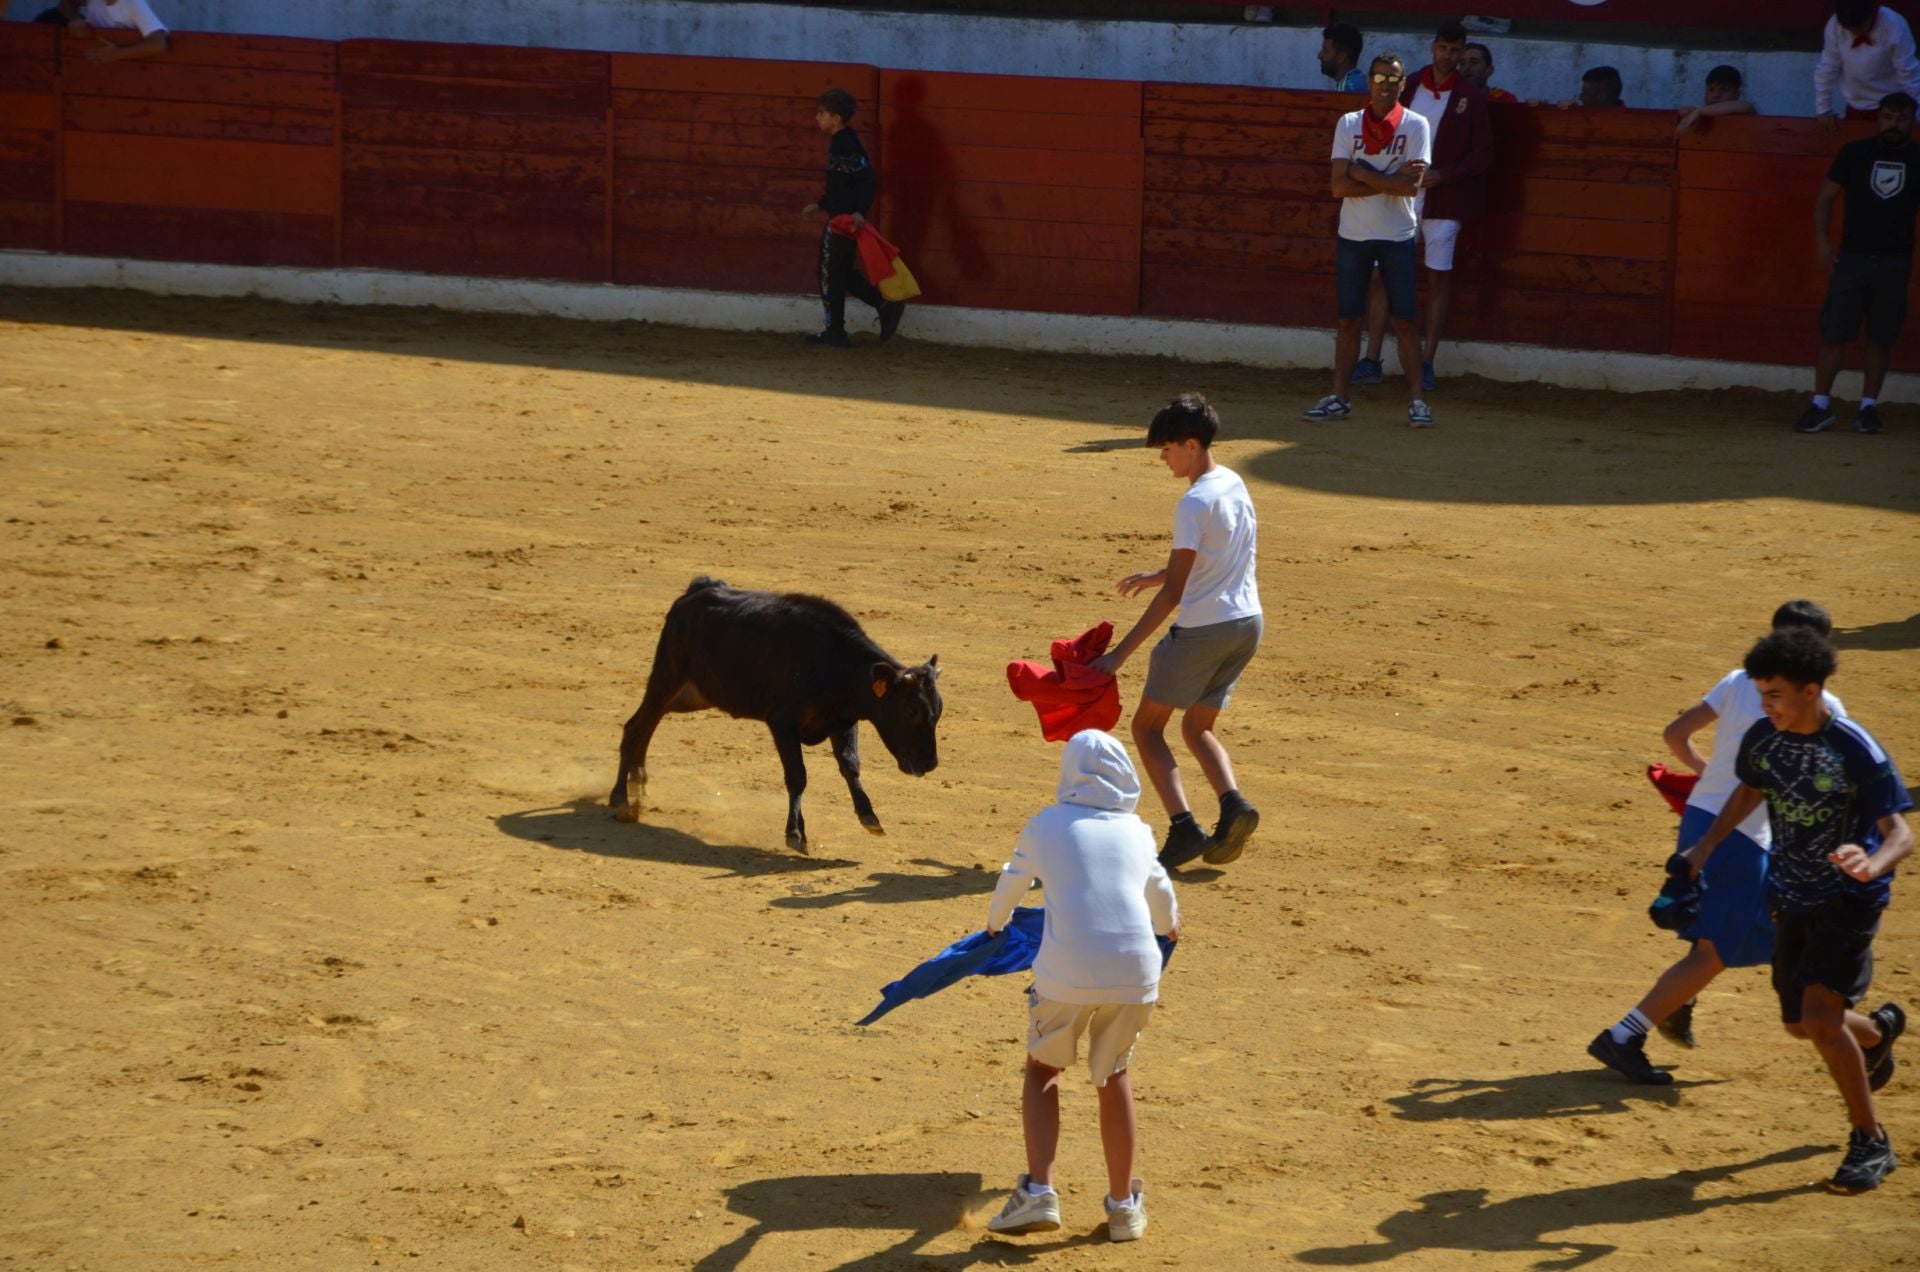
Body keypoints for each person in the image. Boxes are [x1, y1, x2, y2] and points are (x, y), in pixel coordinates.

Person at [1679, 627, 1911, 1193]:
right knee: (1797, 1025)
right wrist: (1704, 848)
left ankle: (1871, 1143)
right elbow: (1750, 791)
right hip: (1790, 895)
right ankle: (1878, 1033)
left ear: (1811, 690)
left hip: (1848, 899)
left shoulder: (1856, 747)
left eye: (1776, 694)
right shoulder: (1764, 737)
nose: (1766, 706)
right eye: (1761, 694)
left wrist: (1871, 864)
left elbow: (1900, 834)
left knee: (1819, 1020)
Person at [1587, 601, 1845, 1086]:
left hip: (1703, 818)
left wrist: (1712, 778)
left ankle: (1677, 1004)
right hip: (1741, 836)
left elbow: (1675, 734)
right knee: (1719, 948)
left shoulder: (1737, 680)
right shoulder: (1824, 708)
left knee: (1752, 936)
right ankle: (1625, 1035)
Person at [983, 730, 1179, 1242]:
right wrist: (1170, 926)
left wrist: (994, 924)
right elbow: (1162, 896)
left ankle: (1040, 1192)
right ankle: (1123, 1207)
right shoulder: (1138, 830)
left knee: (1044, 1069)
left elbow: (1013, 879)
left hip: (1066, 972)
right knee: (1113, 1075)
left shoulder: (1046, 824)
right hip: (1136, 973)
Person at [1087, 393, 1263, 870]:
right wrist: (1157, 573)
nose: (1163, 457)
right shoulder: (1233, 482)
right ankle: (1233, 805)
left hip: (1203, 630)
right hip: (1247, 624)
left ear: (1191, 443)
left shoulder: (1193, 502)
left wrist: (1118, 655)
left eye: (1167, 448)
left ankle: (1184, 828)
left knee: (1146, 728)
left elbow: (1175, 597)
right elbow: (1218, 557)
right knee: (1197, 725)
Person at [1356, 20, 1490, 395]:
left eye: (1455, 49)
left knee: (1436, 279)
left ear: (1462, 52)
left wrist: (1444, 175)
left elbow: (1483, 155)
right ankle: (1371, 358)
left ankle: (1426, 363)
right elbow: (1379, 128)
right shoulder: (1409, 86)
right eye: (1442, 48)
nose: (1448, 55)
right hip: (1401, 195)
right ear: (1433, 48)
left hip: (1443, 201)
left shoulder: (1471, 98)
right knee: (1382, 276)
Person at [1302, 52, 1433, 427]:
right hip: (1355, 235)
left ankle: (1418, 401)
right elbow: (1337, 186)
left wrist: (1362, 172)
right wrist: (1386, 180)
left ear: (1403, 85)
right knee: (1347, 319)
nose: (1385, 87)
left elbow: (1411, 188)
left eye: (1393, 81)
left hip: (1396, 235)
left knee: (1405, 319)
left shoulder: (1416, 124)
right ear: (1370, 82)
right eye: (1379, 79)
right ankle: (1340, 397)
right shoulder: (1349, 123)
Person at [1797, 91, 1920, 435]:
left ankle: (1868, 408)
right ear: (1878, 118)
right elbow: (1825, 198)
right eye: (1889, 117)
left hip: (1895, 262)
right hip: (1851, 259)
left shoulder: (1918, 159)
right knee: (1834, 333)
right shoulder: (1856, 153)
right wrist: (1822, 241)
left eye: (1902, 118)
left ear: (1912, 121)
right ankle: (1820, 404)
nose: (1894, 124)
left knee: (1881, 337)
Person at [799, 88, 904, 349]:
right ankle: (883, 305)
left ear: (836, 118)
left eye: (821, 114)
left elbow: (867, 179)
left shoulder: (844, 142)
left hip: (843, 220)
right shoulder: (844, 141)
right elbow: (842, 183)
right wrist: (821, 204)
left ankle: (836, 330)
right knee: (840, 272)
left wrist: (859, 211)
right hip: (843, 216)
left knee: (828, 272)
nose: (817, 118)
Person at [1816, 1, 1920, 129]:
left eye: (1859, 27)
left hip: (1893, 107)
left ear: (1872, 15)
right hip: (1855, 107)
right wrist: (1824, 109)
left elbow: (1909, 73)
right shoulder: (1834, 25)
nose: (1854, 33)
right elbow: (1827, 68)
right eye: (1848, 29)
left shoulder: (1894, 25)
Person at [70, 0, 169, 62]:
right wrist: (80, 27)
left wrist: (117, 54)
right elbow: (91, 29)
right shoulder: (94, 3)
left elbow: (159, 44)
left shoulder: (133, 3)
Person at [1677, 65, 1759, 135]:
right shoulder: (1700, 113)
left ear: (1737, 94)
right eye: (1711, 89)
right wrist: (1689, 113)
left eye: (1724, 89)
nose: (1716, 95)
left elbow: (1746, 106)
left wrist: (1698, 112)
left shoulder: (1745, 110)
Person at [1319, 22, 1366, 93]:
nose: (1319, 55)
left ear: (1341, 57)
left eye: (1326, 51)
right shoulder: (1361, 81)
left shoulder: (1348, 89)